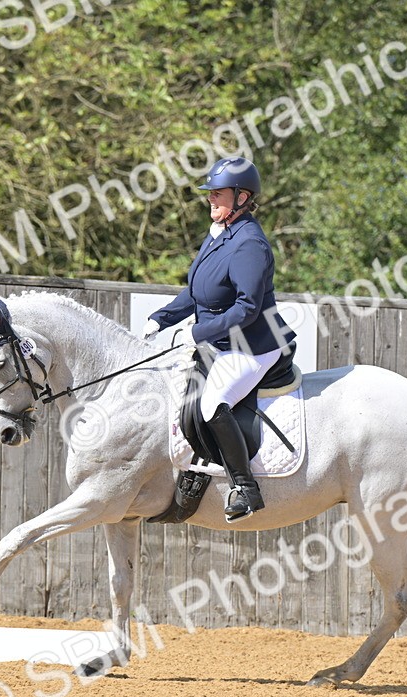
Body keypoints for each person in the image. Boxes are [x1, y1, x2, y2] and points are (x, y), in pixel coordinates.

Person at [142, 156, 296, 521]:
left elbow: (247, 308)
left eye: (218, 193)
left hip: (255, 345)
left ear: (242, 197)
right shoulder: (220, 234)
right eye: (210, 193)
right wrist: (161, 318)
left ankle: (245, 489)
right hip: (223, 341)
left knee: (213, 402)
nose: (210, 199)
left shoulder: (249, 244)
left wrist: (196, 332)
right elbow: (198, 291)